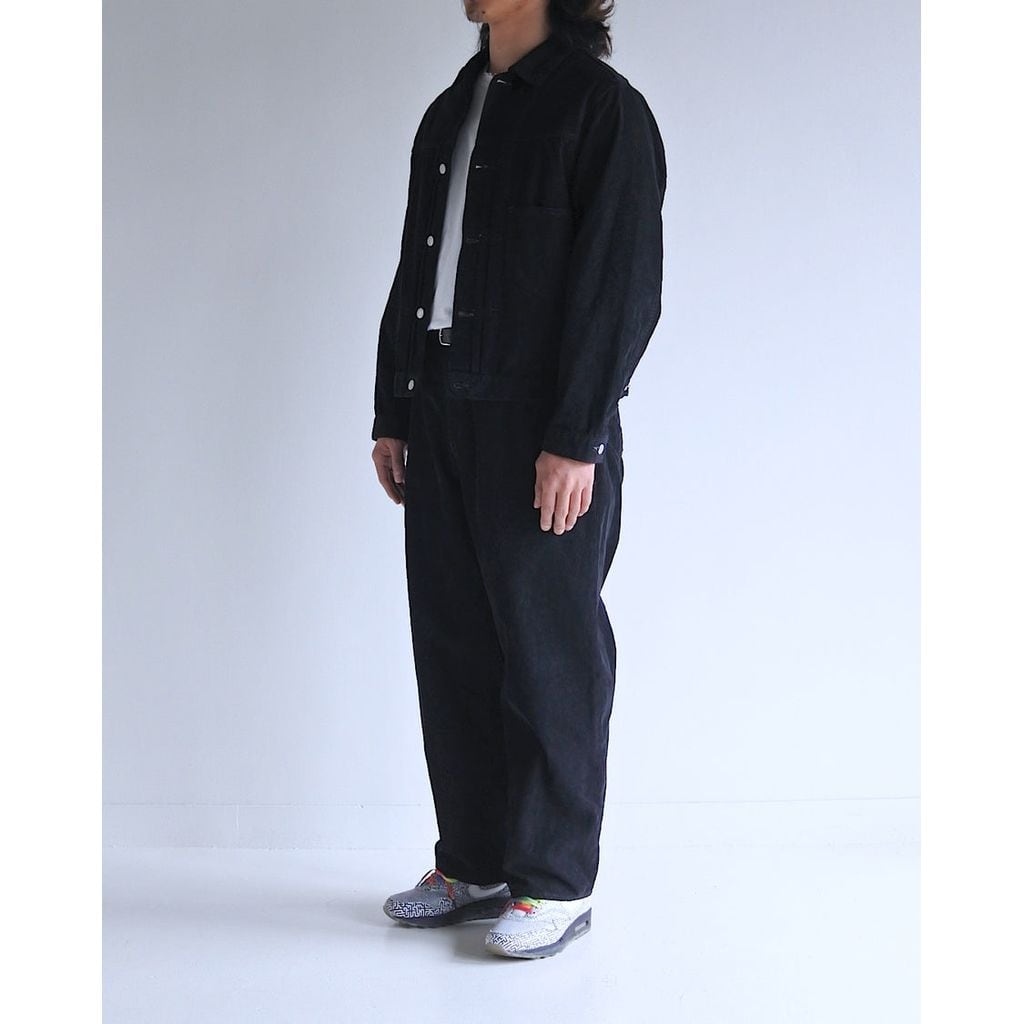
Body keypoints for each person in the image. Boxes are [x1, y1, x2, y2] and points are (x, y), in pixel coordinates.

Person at [371, 0, 666, 959]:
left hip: (539, 425)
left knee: (549, 650)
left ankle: (555, 881)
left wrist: (576, 437)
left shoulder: (601, 111)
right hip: (440, 406)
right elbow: (418, 267)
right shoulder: (450, 110)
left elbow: (621, 282)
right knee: (453, 641)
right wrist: (393, 409)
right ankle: (475, 861)